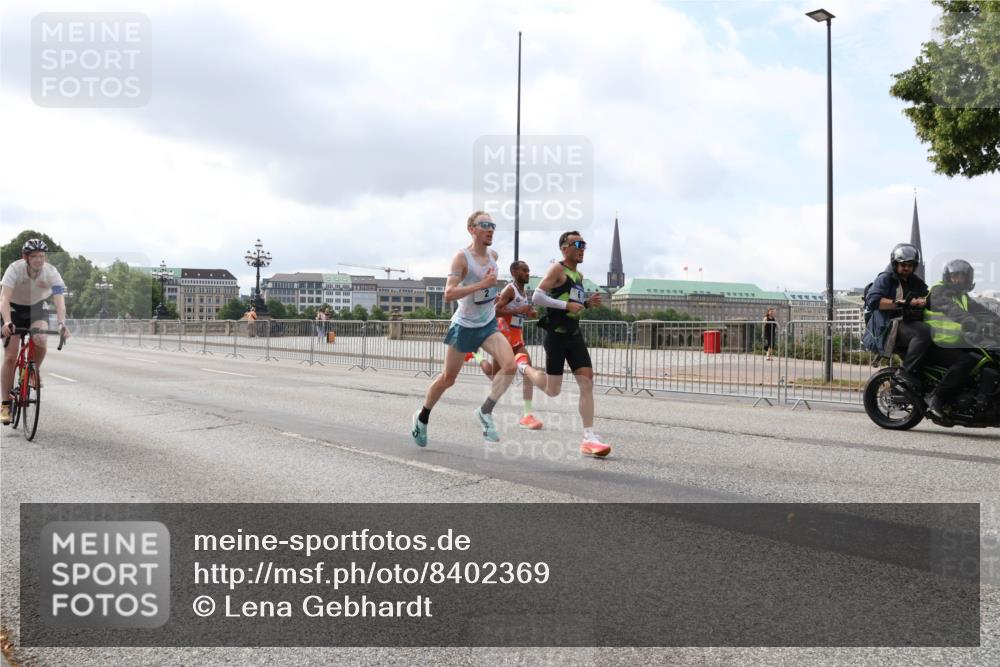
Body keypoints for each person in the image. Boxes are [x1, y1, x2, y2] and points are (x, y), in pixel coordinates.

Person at [410, 211, 518, 447]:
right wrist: (483, 285)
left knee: (510, 366)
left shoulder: (493, 256)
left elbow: (485, 293)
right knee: (448, 379)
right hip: (465, 325)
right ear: (472, 229)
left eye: (493, 225)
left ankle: (485, 411)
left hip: (487, 324)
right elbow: (448, 293)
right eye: (485, 225)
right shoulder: (462, 258)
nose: (490, 229)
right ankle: (422, 417)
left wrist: (491, 294)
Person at [515, 231, 611, 457]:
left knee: (587, 382)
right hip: (556, 336)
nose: (582, 248)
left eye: (584, 244)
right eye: (577, 244)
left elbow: (573, 304)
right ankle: (523, 368)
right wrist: (565, 306)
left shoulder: (578, 276)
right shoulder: (556, 269)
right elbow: (537, 297)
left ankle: (589, 437)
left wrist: (586, 303)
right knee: (552, 390)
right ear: (564, 248)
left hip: (574, 335)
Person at [462, 261, 544, 430]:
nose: (528, 273)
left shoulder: (523, 291)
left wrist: (529, 313)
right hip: (503, 337)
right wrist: (517, 310)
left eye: (529, 270)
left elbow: (519, 312)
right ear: (514, 272)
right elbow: (494, 310)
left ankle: (527, 415)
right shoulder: (509, 290)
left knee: (527, 370)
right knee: (495, 377)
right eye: (524, 270)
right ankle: (475, 354)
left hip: (517, 338)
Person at [0, 239, 71, 425]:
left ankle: (33, 370)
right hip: (14, 310)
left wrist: (62, 323)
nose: (39, 260)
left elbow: (59, 300)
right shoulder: (14, 269)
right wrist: (7, 321)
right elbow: (4, 299)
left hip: (37, 308)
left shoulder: (51, 272)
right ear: (26, 258)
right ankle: (5, 404)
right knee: (10, 356)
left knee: (41, 338)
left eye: (41, 256)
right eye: (34, 256)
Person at [923, 259, 1000, 419]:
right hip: (935, 342)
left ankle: (979, 396)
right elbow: (955, 313)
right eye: (955, 276)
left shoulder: (963, 296)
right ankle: (937, 397)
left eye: (963, 276)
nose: (959, 279)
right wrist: (977, 325)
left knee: (987, 357)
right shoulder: (939, 292)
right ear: (948, 277)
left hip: (954, 341)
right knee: (966, 361)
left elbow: (982, 312)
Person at [864, 243, 930, 390]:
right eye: (903, 265)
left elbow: (928, 294)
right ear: (895, 264)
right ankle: (904, 374)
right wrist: (903, 303)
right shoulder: (886, 278)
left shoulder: (914, 280)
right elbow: (873, 301)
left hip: (906, 323)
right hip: (889, 326)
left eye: (910, 265)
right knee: (924, 332)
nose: (906, 268)